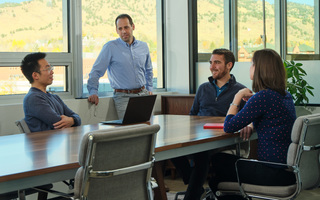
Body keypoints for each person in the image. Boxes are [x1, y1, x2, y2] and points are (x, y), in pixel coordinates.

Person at [209, 49, 297, 200]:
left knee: (218, 162)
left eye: (252, 64)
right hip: (287, 172)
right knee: (223, 168)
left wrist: (237, 98)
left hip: (272, 172)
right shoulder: (284, 95)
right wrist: (251, 123)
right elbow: (271, 120)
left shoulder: (263, 97)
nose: (250, 68)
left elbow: (228, 126)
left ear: (260, 69)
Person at [171, 48, 247, 200]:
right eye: (211, 63)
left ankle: (191, 195)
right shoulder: (203, 88)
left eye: (217, 63)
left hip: (224, 139)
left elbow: (244, 119)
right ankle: (195, 186)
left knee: (201, 153)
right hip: (199, 135)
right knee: (173, 148)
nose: (212, 66)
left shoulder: (240, 91)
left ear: (229, 65)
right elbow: (192, 115)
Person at [87, 14, 153, 119]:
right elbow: (96, 71)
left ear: (133, 27)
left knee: (149, 128)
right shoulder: (110, 47)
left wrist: (150, 88)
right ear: (117, 30)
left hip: (143, 95)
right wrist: (93, 91)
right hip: (123, 97)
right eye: (120, 28)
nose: (123, 31)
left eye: (126, 27)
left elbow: (148, 70)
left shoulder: (143, 46)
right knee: (129, 131)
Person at [21, 52, 81, 132]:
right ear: (35, 75)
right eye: (47, 69)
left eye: (51, 68)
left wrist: (72, 120)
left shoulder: (54, 97)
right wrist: (73, 120)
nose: (52, 72)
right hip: (44, 143)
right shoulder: (33, 98)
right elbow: (58, 123)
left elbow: (77, 117)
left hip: (61, 140)